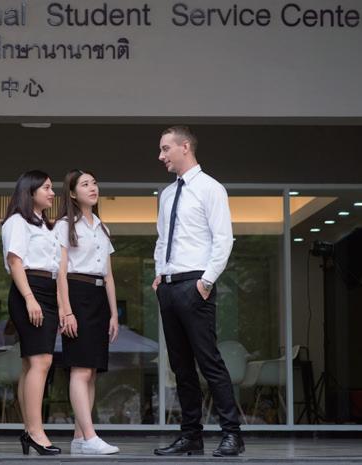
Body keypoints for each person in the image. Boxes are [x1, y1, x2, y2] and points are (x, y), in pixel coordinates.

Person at [152, 126, 244, 457]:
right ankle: (191, 436)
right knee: (181, 367)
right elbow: (162, 238)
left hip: (195, 285)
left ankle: (232, 434)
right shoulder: (166, 194)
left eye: (165, 149)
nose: (161, 156)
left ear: (185, 147)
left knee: (209, 361)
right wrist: (158, 274)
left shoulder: (210, 188)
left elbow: (223, 239)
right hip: (169, 286)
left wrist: (206, 282)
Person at [54, 169, 120, 455]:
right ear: (72, 193)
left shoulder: (103, 228)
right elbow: (60, 272)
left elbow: (108, 275)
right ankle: (91, 437)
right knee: (80, 369)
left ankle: (80, 437)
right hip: (77, 295)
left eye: (94, 182)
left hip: (99, 299)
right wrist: (66, 310)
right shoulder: (64, 226)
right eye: (85, 184)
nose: (93, 187)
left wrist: (114, 314)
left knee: (92, 371)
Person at [1, 170, 61, 456]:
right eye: (46, 188)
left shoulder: (45, 225)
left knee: (31, 364)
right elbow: (15, 262)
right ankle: (37, 432)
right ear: (31, 191)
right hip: (29, 289)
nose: (52, 193)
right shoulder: (17, 221)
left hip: (46, 290)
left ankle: (29, 431)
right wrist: (29, 298)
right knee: (41, 361)